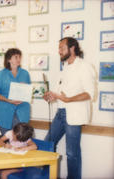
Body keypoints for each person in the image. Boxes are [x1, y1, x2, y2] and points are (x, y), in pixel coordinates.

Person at [43, 37, 95, 179]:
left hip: (74, 115)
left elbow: (90, 93)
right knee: (47, 145)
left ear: (72, 49)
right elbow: (62, 93)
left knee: (72, 154)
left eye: (61, 48)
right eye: (59, 48)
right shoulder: (65, 67)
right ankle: (47, 176)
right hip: (60, 113)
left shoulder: (84, 66)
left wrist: (68, 99)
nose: (58, 51)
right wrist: (52, 96)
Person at [0, 48, 31, 134]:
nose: (19, 59)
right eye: (16, 57)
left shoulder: (25, 73)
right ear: (9, 59)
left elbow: (29, 93)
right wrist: (8, 100)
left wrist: (25, 89)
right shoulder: (1, 74)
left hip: (22, 113)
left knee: (20, 140)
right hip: (4, 113)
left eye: (20, 57)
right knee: (5, 142)